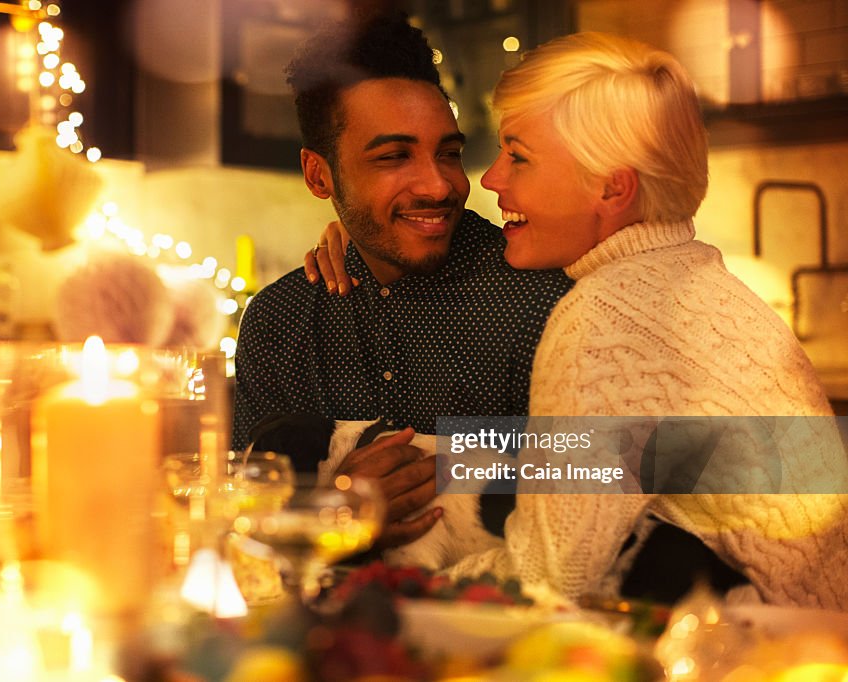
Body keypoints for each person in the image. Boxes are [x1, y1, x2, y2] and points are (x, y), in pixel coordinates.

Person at [426, 31, 848, 609]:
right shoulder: (702, 283)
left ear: (612, 187)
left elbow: (549, 576)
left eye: (518, 155)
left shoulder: (604, 318)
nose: (492, 178)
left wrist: (403, 590)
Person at [232, 12, 573, 550]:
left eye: (449, 153)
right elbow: (244, 516)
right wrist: (331, 515)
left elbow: (635, 476)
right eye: (393, 157)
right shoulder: (280, 321)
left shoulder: (540, 300)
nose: (439, 185)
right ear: (319, 175)